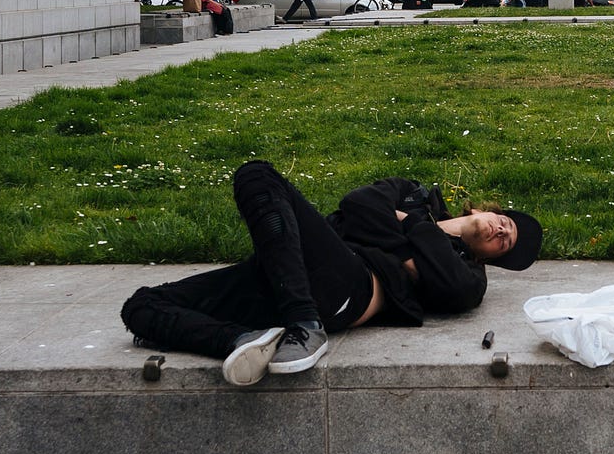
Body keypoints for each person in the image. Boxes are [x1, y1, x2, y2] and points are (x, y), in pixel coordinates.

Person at [122, 160, 542, 386]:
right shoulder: (413, 193)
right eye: (505, 223)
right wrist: (419, 241)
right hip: (282, 275)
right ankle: (243, 340)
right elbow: (357, 203)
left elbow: (452, 288)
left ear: (489, 256)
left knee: (260, 174)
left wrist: (409, 226)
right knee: (140, 306)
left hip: (345, 285)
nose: (501, 231)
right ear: (483, 209)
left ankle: (305, 328)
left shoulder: (470, 274)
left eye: (503, 242)